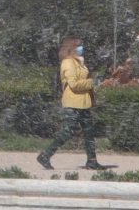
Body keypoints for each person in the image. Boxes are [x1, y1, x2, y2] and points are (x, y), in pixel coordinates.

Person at [37, 33, 114, 171]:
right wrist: (91, 82)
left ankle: (92, 161)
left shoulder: (79, 62)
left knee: (89, 132)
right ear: (71, 48)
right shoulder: (68, 62)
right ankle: (45, 155)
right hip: (73, 103)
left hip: (84, 103)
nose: (81, 48)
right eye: (78, 46)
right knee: (68, 131)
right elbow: (73, 84)